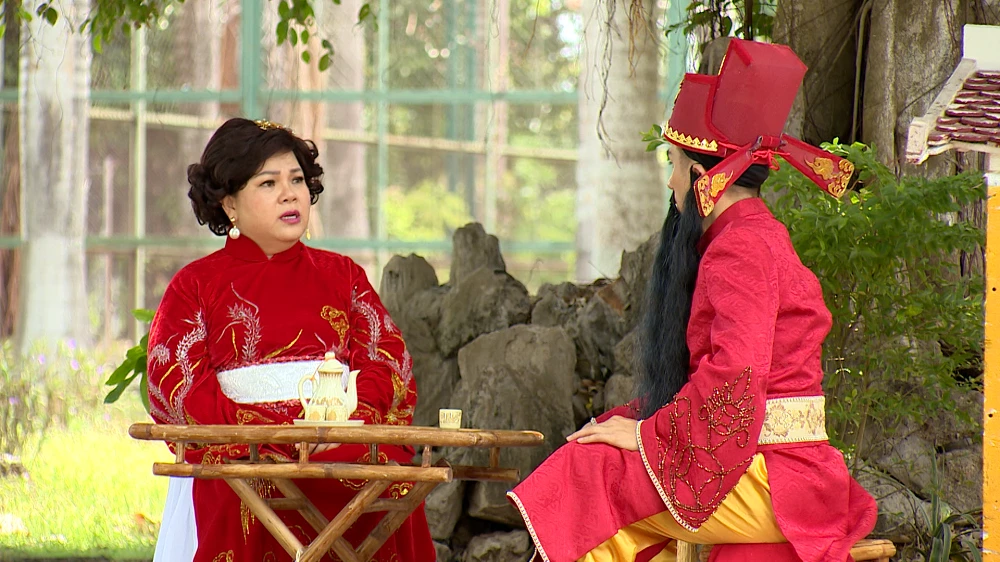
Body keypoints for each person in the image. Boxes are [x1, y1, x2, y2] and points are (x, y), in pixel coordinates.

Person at [507, 39, 877, 562]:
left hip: (776, 476)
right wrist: (640, 429)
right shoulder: (754, 236)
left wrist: (647, 435)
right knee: (602, 448)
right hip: (780, 467)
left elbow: (736, 377)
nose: (670, 181)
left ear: (703, 180)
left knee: (586, 473)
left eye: (675, 165)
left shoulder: (740, 247)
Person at [146, 117, 435, 562]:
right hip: (245, 454)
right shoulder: (195, 285)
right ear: (229, 203)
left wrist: (342, 424)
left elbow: (387, 363)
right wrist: (271, 437)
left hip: (342, 441)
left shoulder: (343, 275)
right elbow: (179, 386)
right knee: (253, 486)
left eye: (297, 179)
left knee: (388, 480)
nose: (290, 193)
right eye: (269, 183)